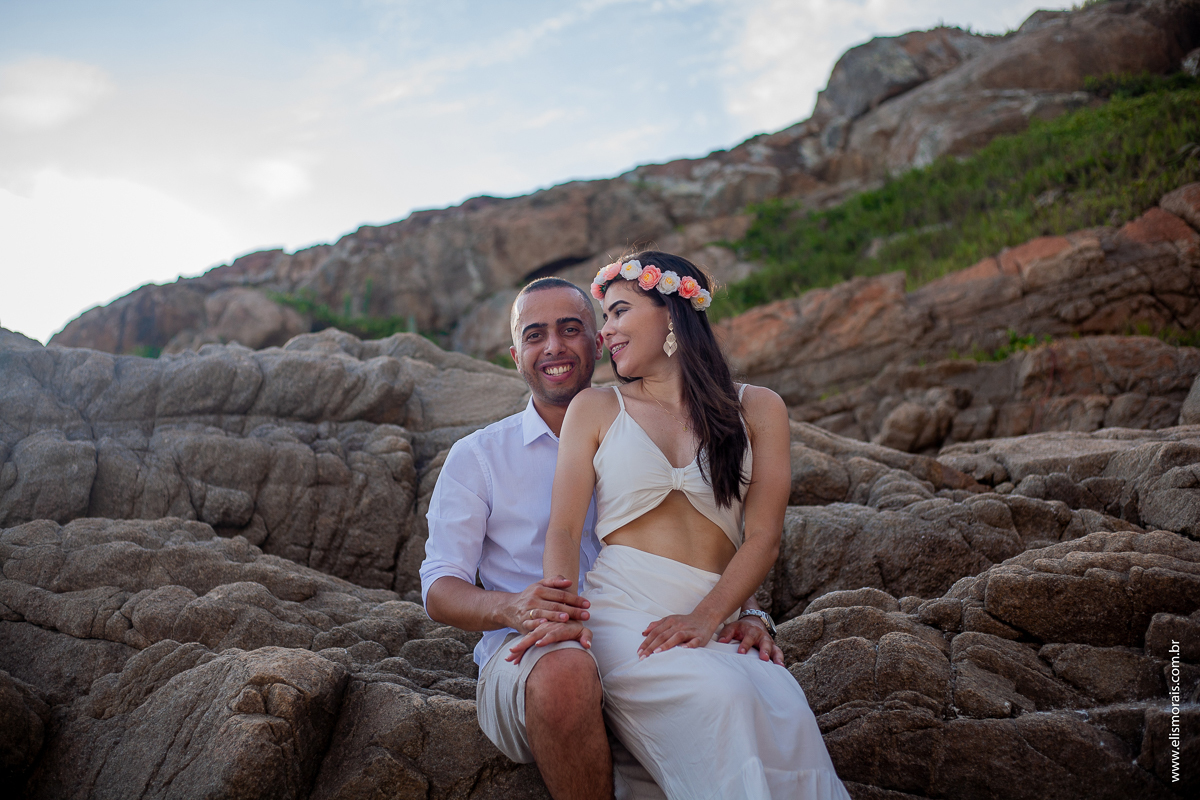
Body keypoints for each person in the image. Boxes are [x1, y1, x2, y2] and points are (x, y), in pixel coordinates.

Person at [419, 276, 782, 800]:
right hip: (537, 656)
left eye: (571, 329)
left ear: (599, 339)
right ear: (515, 353)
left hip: (644, 639)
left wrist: (748, 612)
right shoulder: (479, 457)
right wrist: (512, 607)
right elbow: (438, 588)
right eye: (535, 334)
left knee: (751, 703)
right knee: (567, 666)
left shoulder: (661, 426)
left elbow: (701, 538)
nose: (554, 347)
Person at [510, 254, 851, 799]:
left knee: (784, 705)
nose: (607, 332)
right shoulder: (596, 408)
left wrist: (715, 614)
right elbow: (564, 530)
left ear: (670, 314)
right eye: (605, 317)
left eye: (619, 312)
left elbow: (763, 537)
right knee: (721, 698)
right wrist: (565, 616)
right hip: (626, 616)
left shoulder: (758, 409)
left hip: (712, 611)